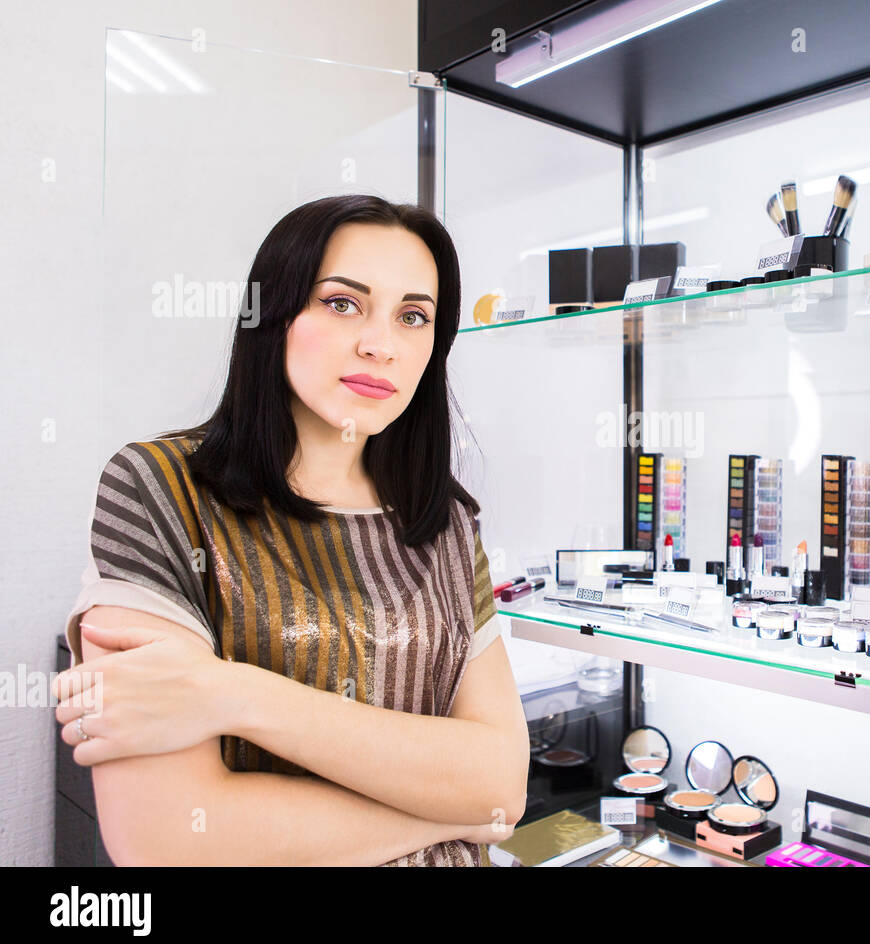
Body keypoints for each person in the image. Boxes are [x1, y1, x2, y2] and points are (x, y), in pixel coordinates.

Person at [53, 194, 528, 866]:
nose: (380, 344)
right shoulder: (159, 488)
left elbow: (501, 783)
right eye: (342, 302)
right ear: (271, 313)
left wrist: (230, 693)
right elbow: (167, 838)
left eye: (413, 316)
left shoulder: (445, 521)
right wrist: (450, 816)